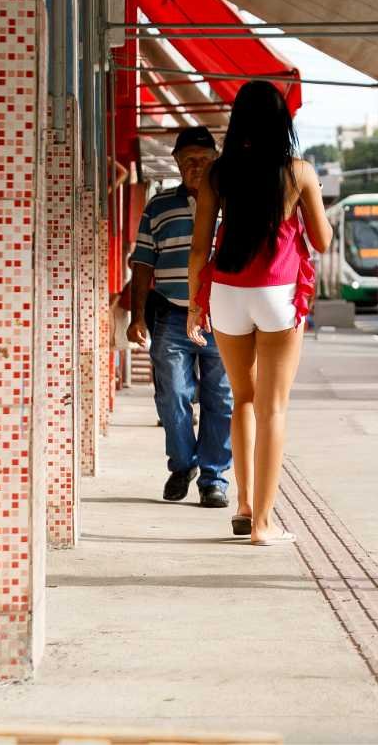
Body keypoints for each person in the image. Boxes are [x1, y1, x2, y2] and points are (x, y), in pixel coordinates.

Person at [187, 81, 331, 545]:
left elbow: (198, 246)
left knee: (242, 398)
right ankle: (264, 525)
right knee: (273, 408)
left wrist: (195, 304)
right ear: (281, 123)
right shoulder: (298, 172)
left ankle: (245, 507)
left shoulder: (216, 174)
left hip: (226, 293)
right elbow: (323, 241)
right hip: (279, 292)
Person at [128, 127, 234, 508]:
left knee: (221, 398)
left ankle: (213, 478)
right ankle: (182, 464)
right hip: (172, 316)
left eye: (204, 160)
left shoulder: (232, 203)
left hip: (223, 317)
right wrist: (136, 316)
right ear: (175, 163)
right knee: (173, 392)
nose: (195, 167)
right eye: (188, 160)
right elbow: (142, 264)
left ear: (216, 161)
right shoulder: (158, 207)